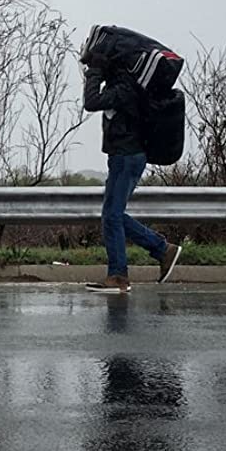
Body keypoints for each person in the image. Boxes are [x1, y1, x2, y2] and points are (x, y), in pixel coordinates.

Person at [82, 66, 182, 293]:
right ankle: (162, 249)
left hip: (127, 157)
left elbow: (91, 102)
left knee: (112, 215)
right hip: (124, 156)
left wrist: (94, 73)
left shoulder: (123, 88)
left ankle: (119, 276)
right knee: (112, 215)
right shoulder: (126, 86)